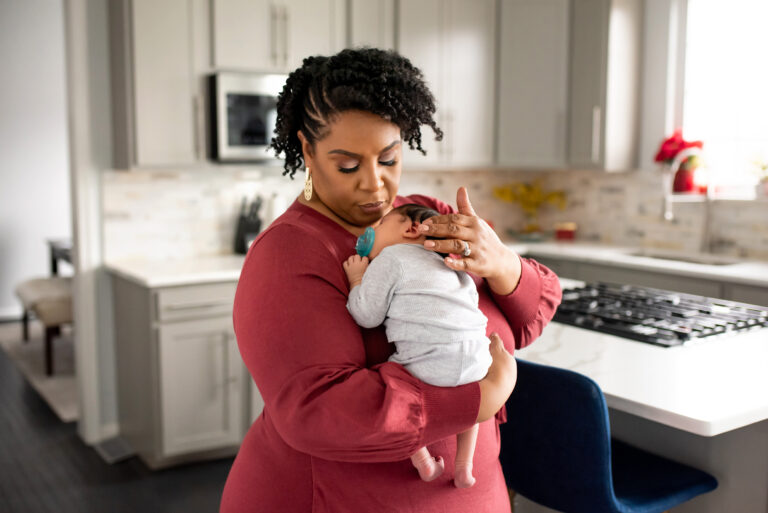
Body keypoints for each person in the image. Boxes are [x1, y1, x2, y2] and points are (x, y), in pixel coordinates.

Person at [220, 48, 562, 513]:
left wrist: (500, 262)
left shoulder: (426, 218)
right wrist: (477, 400)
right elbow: (319, 411)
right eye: (348, 166)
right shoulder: (288, 254)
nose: (375, 185)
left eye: (389, 158)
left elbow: (527, 321)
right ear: (307, 150)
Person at [343, 204, 491, 489]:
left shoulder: (392, 256)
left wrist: (357, 279)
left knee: (390, 389)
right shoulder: (453, 265)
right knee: (474, 408)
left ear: (410, 229)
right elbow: (471, 303)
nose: (370, 231)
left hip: (428, 366)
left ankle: (423, 461)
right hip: (477, 360)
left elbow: (367, 316)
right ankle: (464, 468)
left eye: (382, 222)